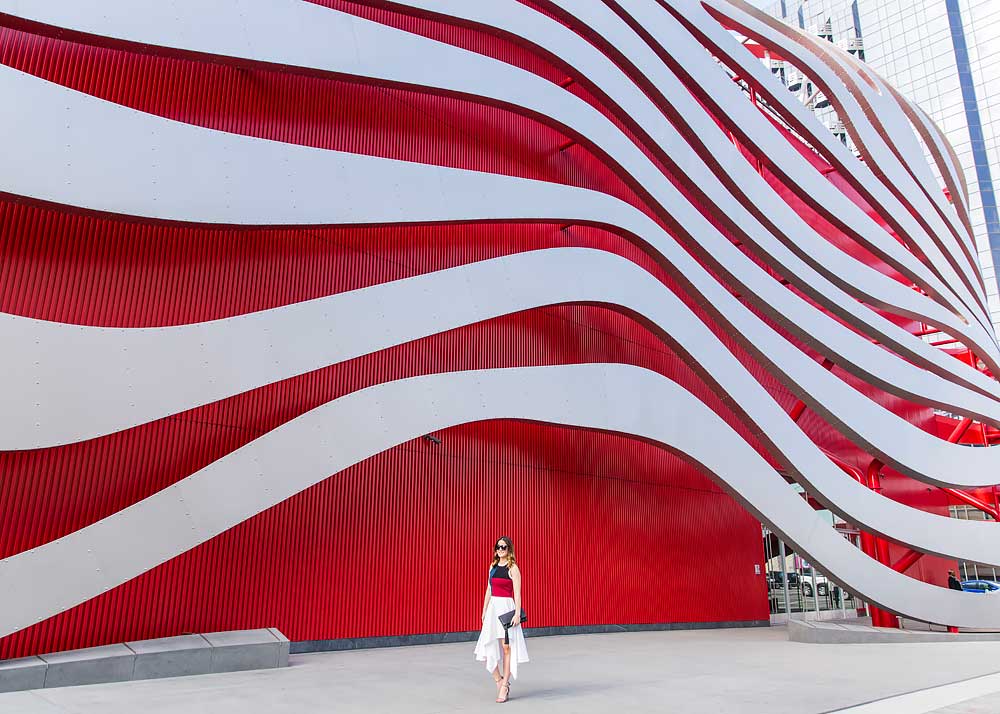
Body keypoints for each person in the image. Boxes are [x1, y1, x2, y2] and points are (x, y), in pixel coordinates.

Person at [474, 536, 529, 703]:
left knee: (507, 647)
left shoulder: (513, 568)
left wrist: (517, 614)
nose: (500, 550)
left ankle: (505, 686)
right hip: (492, 610)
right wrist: (484, 610)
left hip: (507, 608)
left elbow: (517, 594)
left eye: (503, 547)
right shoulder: (492, 566)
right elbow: (489, 590)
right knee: (488, 643)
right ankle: (498, 679)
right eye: (498, 547)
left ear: (509, 549)